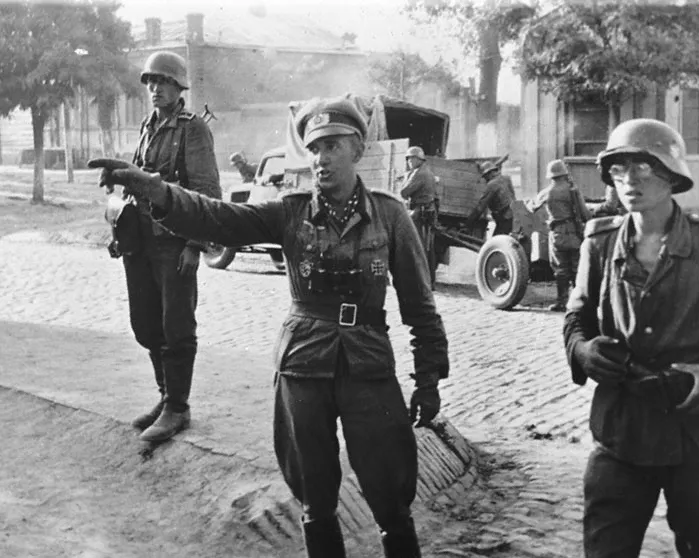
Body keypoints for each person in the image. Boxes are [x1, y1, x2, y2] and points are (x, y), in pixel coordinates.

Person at [88, 96, 449, 558]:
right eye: (314, 149)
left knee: (391, 496)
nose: (321, 159)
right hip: (303, 369)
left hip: (368, 368)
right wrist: (154, 190)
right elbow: (216, 217)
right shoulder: (289, 212)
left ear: (358, 150)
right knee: (314, 500)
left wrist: (428, 376)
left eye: (332, 146)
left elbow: (420, 306)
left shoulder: (391, 215)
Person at [563, 118, 699, 558]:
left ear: (671, 175)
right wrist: (582, 350)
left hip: (694, 435)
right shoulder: (599, 243)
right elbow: (576, 317)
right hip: (621, 432)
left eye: (643, 168)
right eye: (619, 169)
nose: (629, 180)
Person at [115, 51, 221, 443]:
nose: (155, 89)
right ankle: (164, 396)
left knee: (176, 325)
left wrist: (194, 244)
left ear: (179, 87)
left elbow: (206, 190)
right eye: (150, 82)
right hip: (141, 240)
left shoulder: (193, 129)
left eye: (163, 82)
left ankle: (178, 406)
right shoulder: (149, 125)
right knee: (146, 323)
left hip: (174, 241)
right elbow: (140, 178)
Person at [528, 159, 591, 312]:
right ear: (565, 174)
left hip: (557, 234)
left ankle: (562, 302)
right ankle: (580, 302)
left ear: (551, 176)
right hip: (575, 233)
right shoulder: (573, 191)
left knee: (560, 270)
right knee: (577, 268)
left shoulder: (547, 192)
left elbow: (531, 207)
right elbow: (585, 214)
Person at [400, 145, 438, 286]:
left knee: (415, 246)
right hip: (428, 212)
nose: (409, 162)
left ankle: (419, 280)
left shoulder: (418, 173)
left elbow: (404, 192)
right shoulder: (428, 172)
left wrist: (406, 177)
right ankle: (430, 281)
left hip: (419, 213)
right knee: (427, 247)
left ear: (418, 159)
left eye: (410, 159)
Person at [463, 160, 515, 236]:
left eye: (485, 176)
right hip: (514, 216)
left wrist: (468, 224)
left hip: (505, 220)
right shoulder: (506, 179)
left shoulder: (492, 184)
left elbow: (480, 207)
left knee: (496, 241)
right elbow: (512, 196)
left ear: (490, 173)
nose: (485, 179)